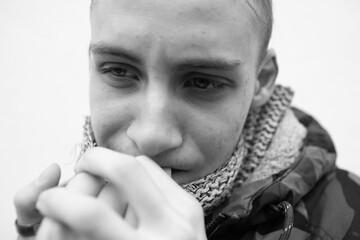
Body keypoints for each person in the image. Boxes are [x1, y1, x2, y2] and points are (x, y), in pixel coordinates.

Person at [13, 0, 360, 239]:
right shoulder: (67, 214)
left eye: (202, 82)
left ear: (262, 81)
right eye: (118, 70)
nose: (150, 135)